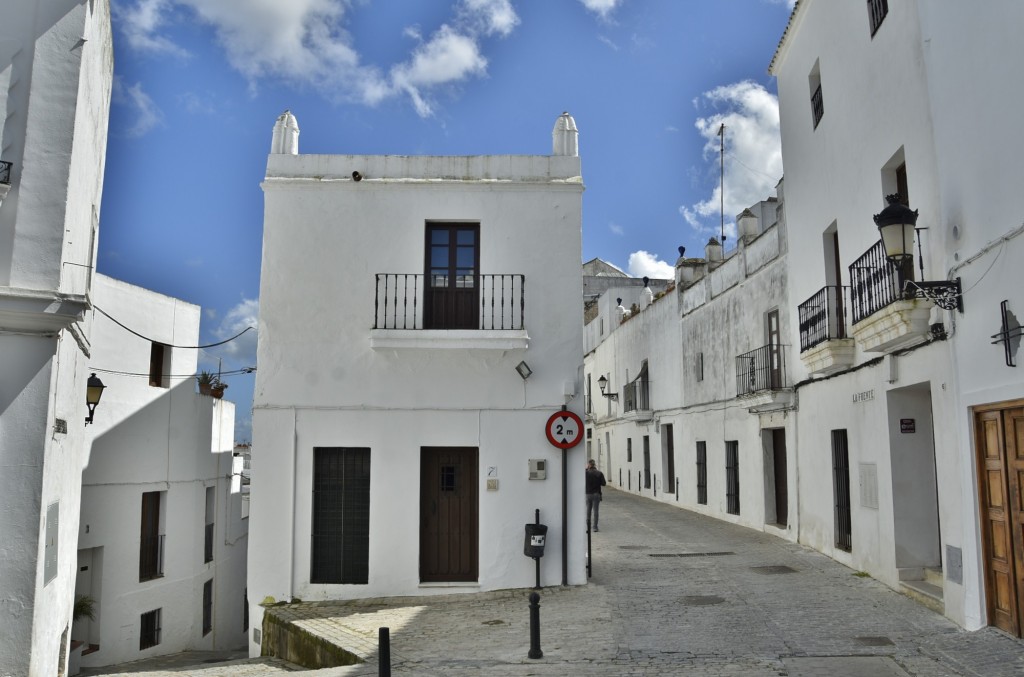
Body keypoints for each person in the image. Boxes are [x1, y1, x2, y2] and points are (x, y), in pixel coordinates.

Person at [585, 459, 607, 532]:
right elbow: (604, 484)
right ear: (594, 465)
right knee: (596, 511)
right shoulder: (599, 473)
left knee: (588, 510)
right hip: (596, 494)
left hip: (588, 494)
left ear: (589, 464)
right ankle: (595, 527)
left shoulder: (585, 473)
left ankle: (588, 526)